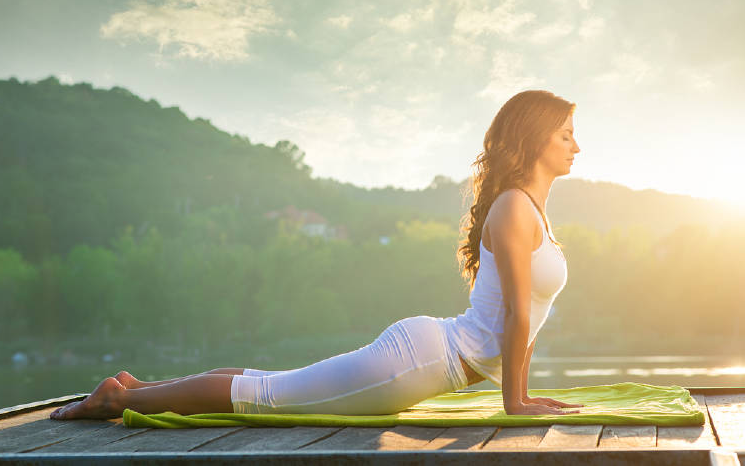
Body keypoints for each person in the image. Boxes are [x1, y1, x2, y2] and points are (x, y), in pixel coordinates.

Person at [51, 89, 584, 420]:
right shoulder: (515, 208)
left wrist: (521, 395)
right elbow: (515, 313)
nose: (575, 147)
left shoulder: (530, 210)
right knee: (267, 396)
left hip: (431, 354)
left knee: (268, 381)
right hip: (424, 360)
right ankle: (118, 402)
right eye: (565, 135)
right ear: (535, 140)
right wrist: (515, 401)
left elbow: (528, 320)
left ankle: (136, 387)